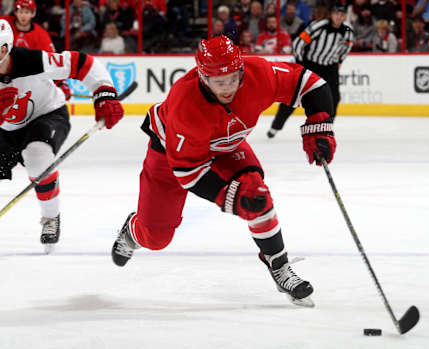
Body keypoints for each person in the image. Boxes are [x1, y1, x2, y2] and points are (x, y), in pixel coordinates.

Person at [111, 35, 337, 307]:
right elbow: (189, 173)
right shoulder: (186, 106)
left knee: (257, 194)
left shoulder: (258, 73)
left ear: (241, 68)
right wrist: (230, 198)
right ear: (203, 78)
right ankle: (133, 232)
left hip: (226, 146)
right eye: (220, 82)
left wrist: (319, 124)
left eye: (233, 78)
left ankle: (278, 264)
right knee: (156, 238)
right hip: (170, 155)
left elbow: (310, 83)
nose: (228, 87)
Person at [0, 19, 124, 253]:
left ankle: (50, 217)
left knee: (36, 156)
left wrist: (104, 92)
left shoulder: (32, 60)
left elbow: (82, 63)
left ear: (5, 49)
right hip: (6, 131)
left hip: (46, 115)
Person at [267, 1, 353, 138]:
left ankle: (326, 128)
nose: (339, 17)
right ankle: (276, 126)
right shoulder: (318, 26)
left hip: (330, 68)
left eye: (342, 15)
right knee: (294, 95)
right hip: (311, 64)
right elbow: (298, 43)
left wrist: (340, 61)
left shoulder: (347, 31)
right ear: (331, 14)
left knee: (333, 98)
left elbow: (347, 46)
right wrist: (301, 62)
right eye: (337, 13)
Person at [0, 0, 71, 101]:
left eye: (27, 12)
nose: (23, 16)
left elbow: (51, 60)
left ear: (33, 13)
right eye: (21, 12)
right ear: (15, 12)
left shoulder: (41, 35)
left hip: (26, 81)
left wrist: (60, 83)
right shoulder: (4, 23)